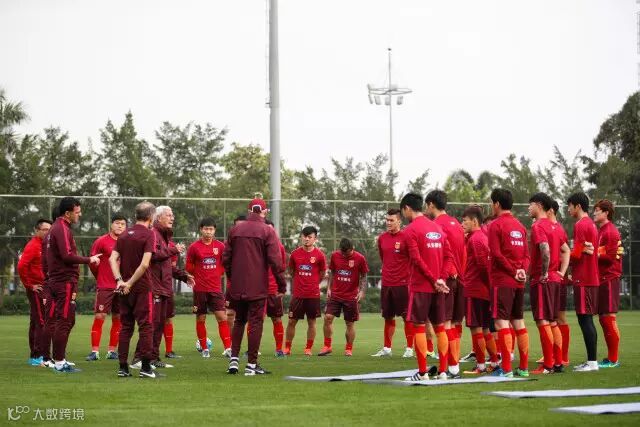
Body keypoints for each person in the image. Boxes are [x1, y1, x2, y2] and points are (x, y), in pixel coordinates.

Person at [222, 198, 286, 375]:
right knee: (256, 323)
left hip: (238, 285)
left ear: (249, 210)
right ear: (264, 212)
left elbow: (226, 258)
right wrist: (281, 285)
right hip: (257, 286)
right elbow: (275, 261)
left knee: (239, 321)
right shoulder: (267, 230)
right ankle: (251, 365)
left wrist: (233, 278)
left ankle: (234, 360)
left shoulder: (235, 230)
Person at [46, 197, 102, 373]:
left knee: (68, 320)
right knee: (64, 321)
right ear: (67, 213)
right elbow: (67, 256)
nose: (80, 214)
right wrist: (89, 259)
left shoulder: (54, 229)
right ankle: (59, 362)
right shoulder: (61, 228)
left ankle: (58, 358)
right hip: (64, 282)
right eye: (77, 212)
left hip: (57, 281)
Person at [399, 193, 451, 382]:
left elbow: (416, 259)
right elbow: (449, 256)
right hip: (438, 288)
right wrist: (441, 279)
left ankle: (422, 373)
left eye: (403, 211)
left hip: (421, 286)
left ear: (407, 208)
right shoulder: (438, 228)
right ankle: (443, 372)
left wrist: (434, 279)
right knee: (440, 328)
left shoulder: (410, 230)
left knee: (419, 327)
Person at [134, 205, 192, 369]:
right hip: (154, 287)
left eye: (172, 215)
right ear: (158, 217)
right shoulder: (153, 234)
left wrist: (183, 276)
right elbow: (153, 256)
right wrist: (173, 250)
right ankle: (139, 359)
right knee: (151, 324)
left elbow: (166, 266)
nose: (172, 218)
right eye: (169, 215)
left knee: (159, 325)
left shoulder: (164, 236)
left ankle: (153, 358)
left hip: (164, 287)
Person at [110, 202, 157, 378]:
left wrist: (120, 281)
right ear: (151, 216)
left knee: (126, 327)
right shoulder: (149, 234)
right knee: (146, 327)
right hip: (141, 288)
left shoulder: (123, 235)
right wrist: (129, 283)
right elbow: (145, 264)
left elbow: (112, 259)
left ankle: (123, 368)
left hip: (124, 289)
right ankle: (145, 368)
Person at [487, 189, 530, 378]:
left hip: (502, 280)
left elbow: (496, 254)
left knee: (501, 322)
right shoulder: (520, 226)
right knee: (518, 321)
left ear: (496, 204)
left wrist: (513, 271)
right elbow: (527, 255)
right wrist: (522, 271)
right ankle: (524, 368)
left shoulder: (495, 225)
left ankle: (506, 368)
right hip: (519, 281)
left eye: (492, 203)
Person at [425, 190, 466, 375]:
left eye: (427, 206)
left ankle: (451, 367)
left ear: (431, 205)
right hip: (459, 278)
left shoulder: (436, 226)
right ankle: (453, 366)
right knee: (454, 323)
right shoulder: (456, 223)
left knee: (445, 324)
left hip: (446, 278)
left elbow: (440, 254)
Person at [527, 193, 569, 374]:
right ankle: (558, 363)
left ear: (539, 205)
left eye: (530, 205)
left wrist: (543, 272)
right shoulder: (556, 227)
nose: (528, 208)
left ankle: (548, 365)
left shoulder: (538, 226)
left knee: (543, 321)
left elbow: (545, 250)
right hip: (555, 279)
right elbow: (566, 250)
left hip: (543, 279)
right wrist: (561, 272)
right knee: (552, 321)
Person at [459, 206, 499, 374]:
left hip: (475, 289)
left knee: (476, 328)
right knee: (485, 328)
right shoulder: (480, 237)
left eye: (464, 221)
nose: (462, 224)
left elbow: (483, 266)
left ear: (474, 221)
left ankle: (481, 365)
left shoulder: (476, 239)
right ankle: (494, 362)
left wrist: (486, 285)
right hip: (481, 289)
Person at [185, 217, 231, 359]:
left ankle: (228, 348)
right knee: (201, 318)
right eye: (206, 229)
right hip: (199, 289)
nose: (208, 232)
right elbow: (189, 266)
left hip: (215, 289)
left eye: (211, 229)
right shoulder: (194, 247)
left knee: (222, 317)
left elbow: (225, 263)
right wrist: (197, 275)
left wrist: (218, 272)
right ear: (201, 230)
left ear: (214, 230)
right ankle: (204, 349)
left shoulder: (220, 246)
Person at [371, 208, 414, 358]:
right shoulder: (382, 238)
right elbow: (383, 258)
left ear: (399, 221)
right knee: (388, 317)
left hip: (402, 283)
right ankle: (387, 348)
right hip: (387, 283)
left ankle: (409, 349)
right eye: (387, 220)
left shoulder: (406, 237)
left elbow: (412, 259)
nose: (388, 223)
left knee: (406, 317)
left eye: (391, 220)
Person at [86, 213, 127, 361]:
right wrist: (101, 278)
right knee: (100, 316)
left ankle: (112, 351)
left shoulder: (128, 242)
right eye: (117, 223)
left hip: (122, 286)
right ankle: (94, 351)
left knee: (118, 318)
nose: (120, 226)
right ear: (111, 224)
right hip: (105, 285)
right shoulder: (101, 241)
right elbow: (93, 263)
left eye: (123, 224)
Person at [318, 238, 369, 356]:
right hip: (336, 294)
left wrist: (362, 291)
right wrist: (329, 288)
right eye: (343, 252)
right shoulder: (335, 256)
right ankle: (327, 346)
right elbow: (332, 272)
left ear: (352, 248)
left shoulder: (360, 258)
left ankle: (348, 349)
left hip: (351, 296)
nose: (345, 255)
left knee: (349, 323)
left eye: (347, 253)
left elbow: (364, 276)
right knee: (327, 318)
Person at [567, 192, 600, 372]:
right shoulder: (591, 224)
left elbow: (577, 254)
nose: (568, 209)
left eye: (570, 206)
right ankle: (591, 361)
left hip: (584, 278)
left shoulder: (581, 225)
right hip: (588, 277)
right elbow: (582, 250)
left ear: (578, 206)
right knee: (585, 319)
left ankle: (592, 362)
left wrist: (563, 254)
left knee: (585, 319)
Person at [284, 226, 327, 356]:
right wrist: (299, 281)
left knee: (311, 322)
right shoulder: (295, 254)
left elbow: (322, 273)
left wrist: (313, 283)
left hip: (313, 295)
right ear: (301, 237)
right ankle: (287, 348)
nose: (306, 239)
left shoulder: (319, 255)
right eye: (304, 236)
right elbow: (291, 271)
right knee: (291, 321)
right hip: (298, 294)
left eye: (309, 237)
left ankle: (308, 348)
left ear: (315, 239)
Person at [593, 199, 623, 368]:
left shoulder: (610, 231)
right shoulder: (602, 231)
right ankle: (611, 358)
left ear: (606, 213)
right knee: (604, 319)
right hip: (603, 278)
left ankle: (613, 359)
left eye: (597, 210)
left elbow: (610, 257)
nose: (594, 213)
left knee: (608, 318)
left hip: (610, 278)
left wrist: (593, 254)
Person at [18, 218, 52, 366]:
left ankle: (35, 355)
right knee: (42, 321)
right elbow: (21, 266)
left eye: (49, 230)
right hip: (37, 289)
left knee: (35, 321)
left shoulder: (46, 245)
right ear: (37, 230)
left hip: (45, 287)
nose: (47, 232)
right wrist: (30, 285)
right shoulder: (33, 246)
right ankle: (39, 356)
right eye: (45, 230)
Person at [548, 200, 571, 366]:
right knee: (551, 318)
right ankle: (552, 354)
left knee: (559, 318)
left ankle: (563, 356)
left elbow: (565, 252)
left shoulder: (558, 229)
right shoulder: (548, 227)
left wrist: (563, 273)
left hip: (557, 280)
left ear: (550, 210)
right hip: (553, 279)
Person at [265, 219, 287, 357]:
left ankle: (279, 349)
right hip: (258, 289)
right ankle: (252, 350)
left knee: (277, 319)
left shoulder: (279, 247)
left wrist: (280, 286)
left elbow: (281, 268)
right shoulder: (256, 246)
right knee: (255, 320)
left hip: (274, 289)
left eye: (270, 229)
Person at [225, 214, 246, 333]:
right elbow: (225, 263)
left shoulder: (254, 245)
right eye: (237, 226)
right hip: (232, 286)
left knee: (253, 317)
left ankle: (252, 344)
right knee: (230, 314)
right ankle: (230, 342)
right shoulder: (228, 244)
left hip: (250, 287)